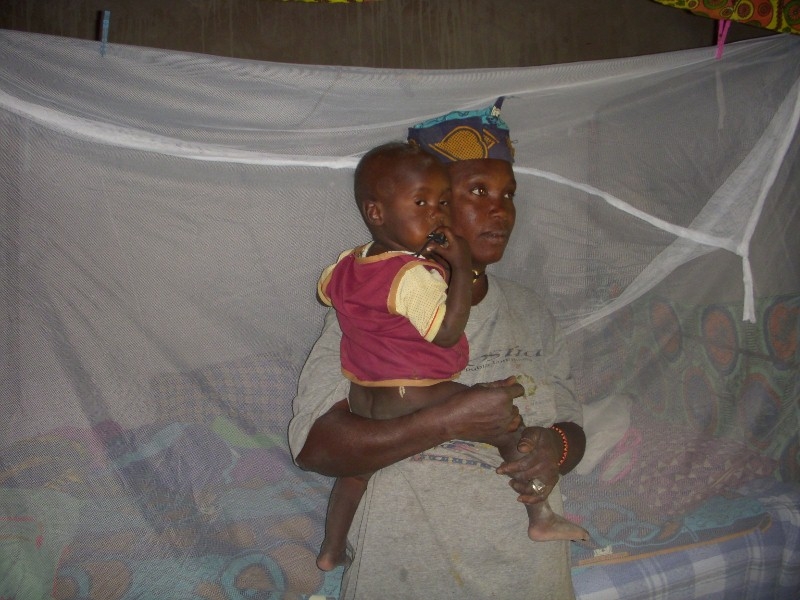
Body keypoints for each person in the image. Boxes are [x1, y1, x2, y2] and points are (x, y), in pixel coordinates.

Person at [289, 98, 587, 600]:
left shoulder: (532, 311)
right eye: (477, 192)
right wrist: (448, 421)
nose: (501, 210)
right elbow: (315, 448)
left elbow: (572, 429)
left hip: (531, 581)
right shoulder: (369, 307)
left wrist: (550, 451)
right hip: (405, 579)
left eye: (508, 194)